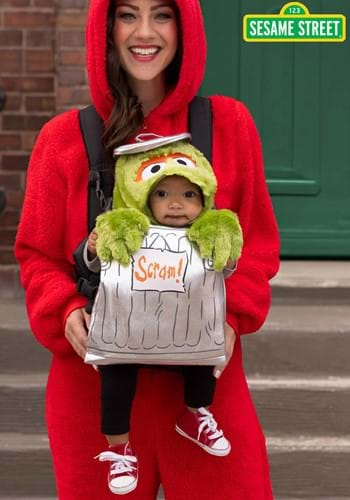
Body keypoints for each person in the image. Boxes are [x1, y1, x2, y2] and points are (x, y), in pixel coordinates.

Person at [14, 0, 280, 499]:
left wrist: (232, 317)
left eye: (162, 14)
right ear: (105, 27)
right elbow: (37, 255)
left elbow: (259, 245)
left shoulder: (229, 125)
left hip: (203, 398)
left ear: (185, 28)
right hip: (96, 396)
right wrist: (64, 308)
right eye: (127, 14)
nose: (145, 32)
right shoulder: (62, 139)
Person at [84, 141, 242, 494]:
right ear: (144, 199)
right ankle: (118, 447)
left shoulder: (205, 235)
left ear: (204, 201)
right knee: (114, 375)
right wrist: (94, 247)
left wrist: (228, 255)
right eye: (163, 194)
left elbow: (225, 271)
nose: (175, 203)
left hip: (185, 329)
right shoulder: (130, 231)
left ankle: (194, 412)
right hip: (128, 329)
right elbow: (98, 266)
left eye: (189, 193)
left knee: (204, 363)